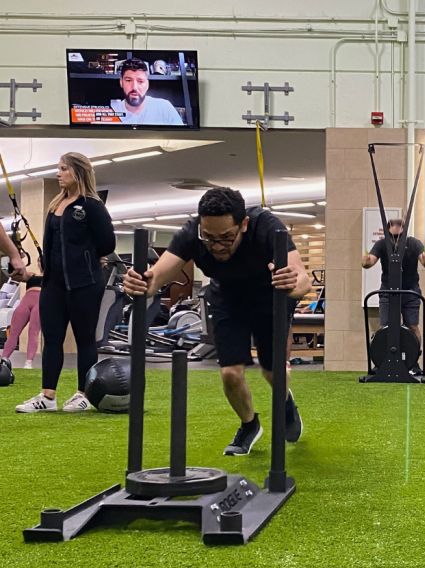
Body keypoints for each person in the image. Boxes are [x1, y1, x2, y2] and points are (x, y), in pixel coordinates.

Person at [123, 188, 311, 455]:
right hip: (227, 298)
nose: (217, 245)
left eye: (226, 237)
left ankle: (285, 403)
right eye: (209, 238)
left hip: (270, 297)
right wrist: (138, 282)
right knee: (230, 374)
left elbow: (302, 281)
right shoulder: (191, 233)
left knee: (273, 372)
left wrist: (292, 283)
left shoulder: (266, 226)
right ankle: (249, 425)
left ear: (243, 224)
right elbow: (155, 279)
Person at [15, 152, 115, 413]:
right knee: (52, 338)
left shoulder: (92, 206)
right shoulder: (55, 204)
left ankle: (84, 394)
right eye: (58, 169)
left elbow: (108, 243)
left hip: (85, 283)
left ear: (78, 172)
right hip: (53, 284)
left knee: (84, 340)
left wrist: (89, 256)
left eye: (63, 169)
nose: (58, 174)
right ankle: (47, 397)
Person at [362, 217, 425, 348]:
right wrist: (366, 262)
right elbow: (370, 261)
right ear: (387, 232)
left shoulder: (414, 243)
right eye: (392, 236)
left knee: (412, 327)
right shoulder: (382, 244)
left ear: (404, 232)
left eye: (398, 236)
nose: (395, 240)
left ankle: (414, 359)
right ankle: (385, 360)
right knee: (385, 327)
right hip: (387, 291)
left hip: (410, 291)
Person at [110, 58, 185, 126]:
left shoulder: (164, 108)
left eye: (140, 81)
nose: (134, 87)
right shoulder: (111, 112)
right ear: (121, 83)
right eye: (128, 80)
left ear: (147, 84)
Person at [1, 259, 42, 369]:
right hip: (26, 302)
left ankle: (28, 362)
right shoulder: (32, 275)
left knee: (33, 332)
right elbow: (17, 275)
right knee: (14, 332)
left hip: (39, 303)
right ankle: (3, 359)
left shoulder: (52, 278)